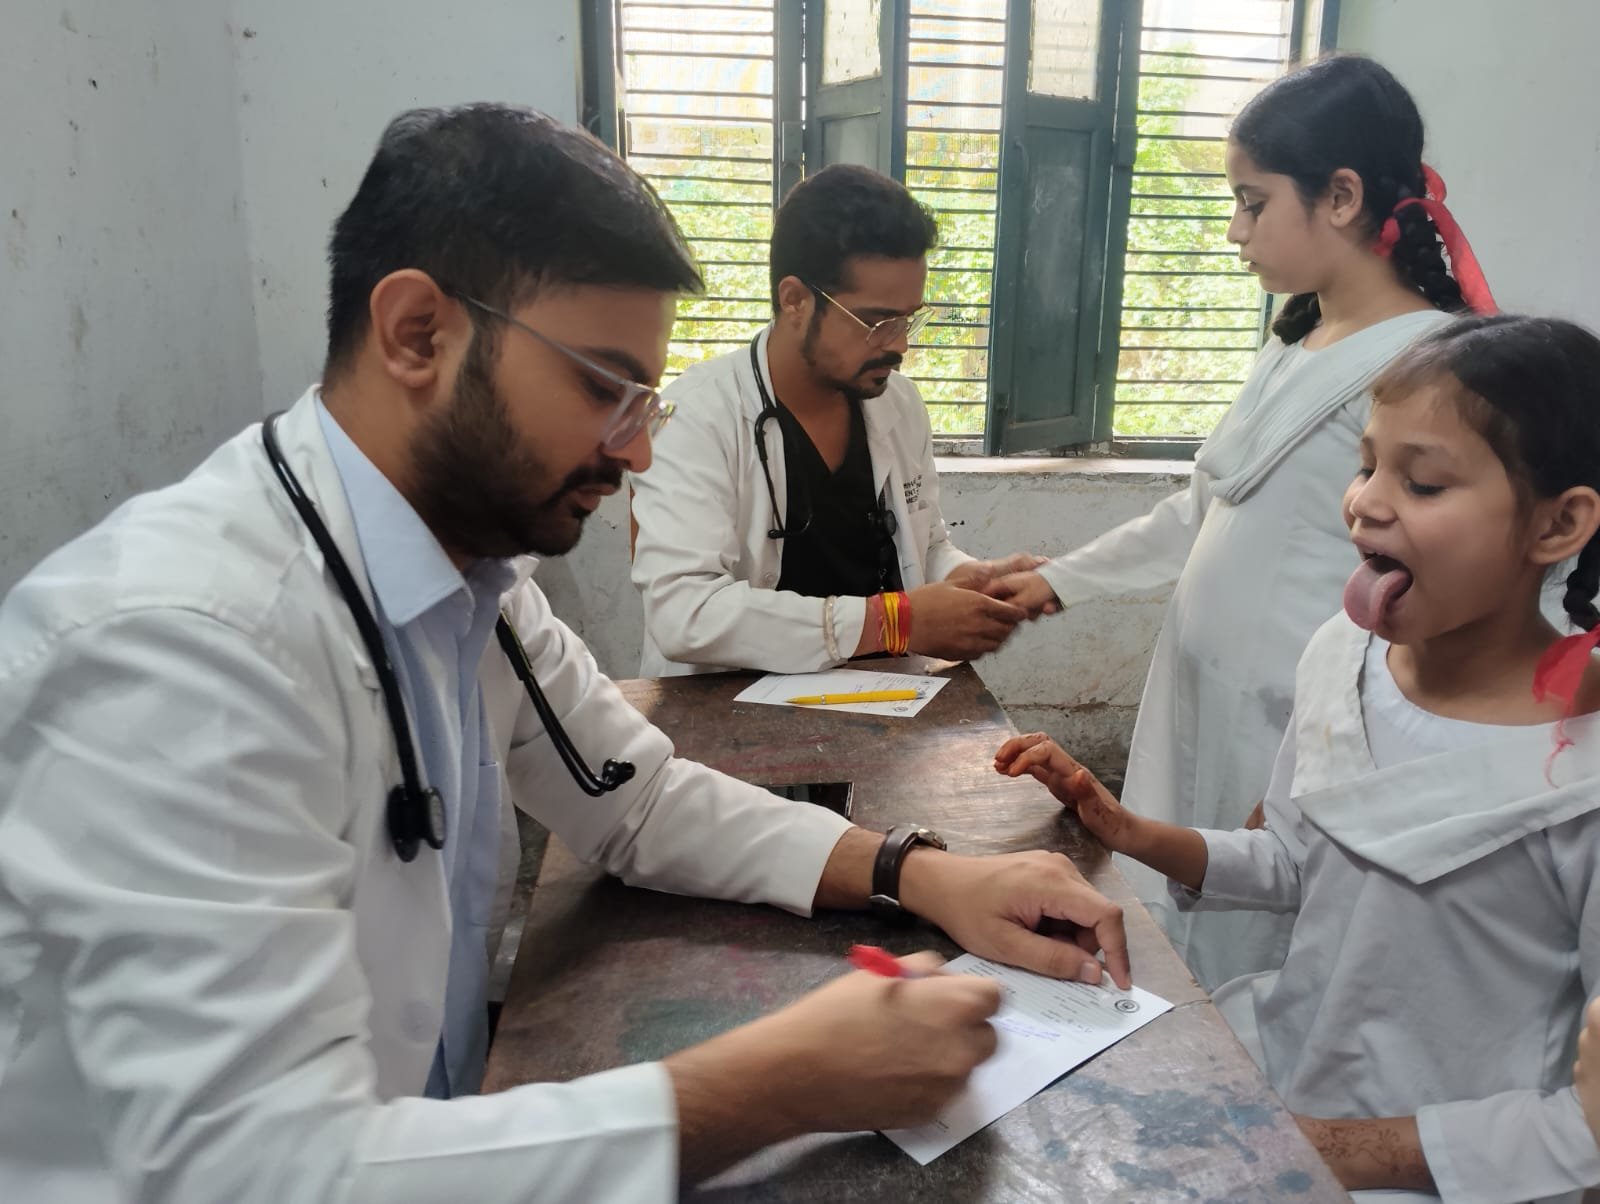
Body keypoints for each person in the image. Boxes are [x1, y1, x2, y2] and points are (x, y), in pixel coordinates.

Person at [0, 106, 1133, 1202]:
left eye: (642, 397)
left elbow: (635, 799)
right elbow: (257, 1174)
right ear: (417, 333)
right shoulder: (179, 649)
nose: (636, 451)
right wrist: (779, 1080)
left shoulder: (473, 579)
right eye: (601, 386)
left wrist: (921, 873)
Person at [997, 315, 1600, 1200]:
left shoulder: (1580, 774)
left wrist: (1343, 1149)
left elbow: (1586, 1125)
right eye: (1367, 465)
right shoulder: (1342, 656)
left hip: (1450, 1171)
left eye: (1423, 482)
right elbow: (1296, 860)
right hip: (1286, 1090)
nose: (1366, 503)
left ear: (1559, 523)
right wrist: (1126, 829)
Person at [985, 54, 1497, 989]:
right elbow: (1205, 509)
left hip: (1297, 710)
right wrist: (1058, 579)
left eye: (1253, 203)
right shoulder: (1297, 340)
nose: (1235, 230)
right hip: (1203, 685)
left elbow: (1446, 588)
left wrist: (1331, 753)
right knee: (1178, 903)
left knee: (1264, 934)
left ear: (1340, 196)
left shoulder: (1431, 364)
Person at [630, 164, 1036, 677]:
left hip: (884, 700)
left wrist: (972, 581)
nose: (899, 345)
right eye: (876, 321)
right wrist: (894, 623)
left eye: (908, 319)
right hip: (730, 707)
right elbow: (684, 614)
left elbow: (924, 544)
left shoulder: (898, 403)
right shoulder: (695, 417)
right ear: (795, 300)